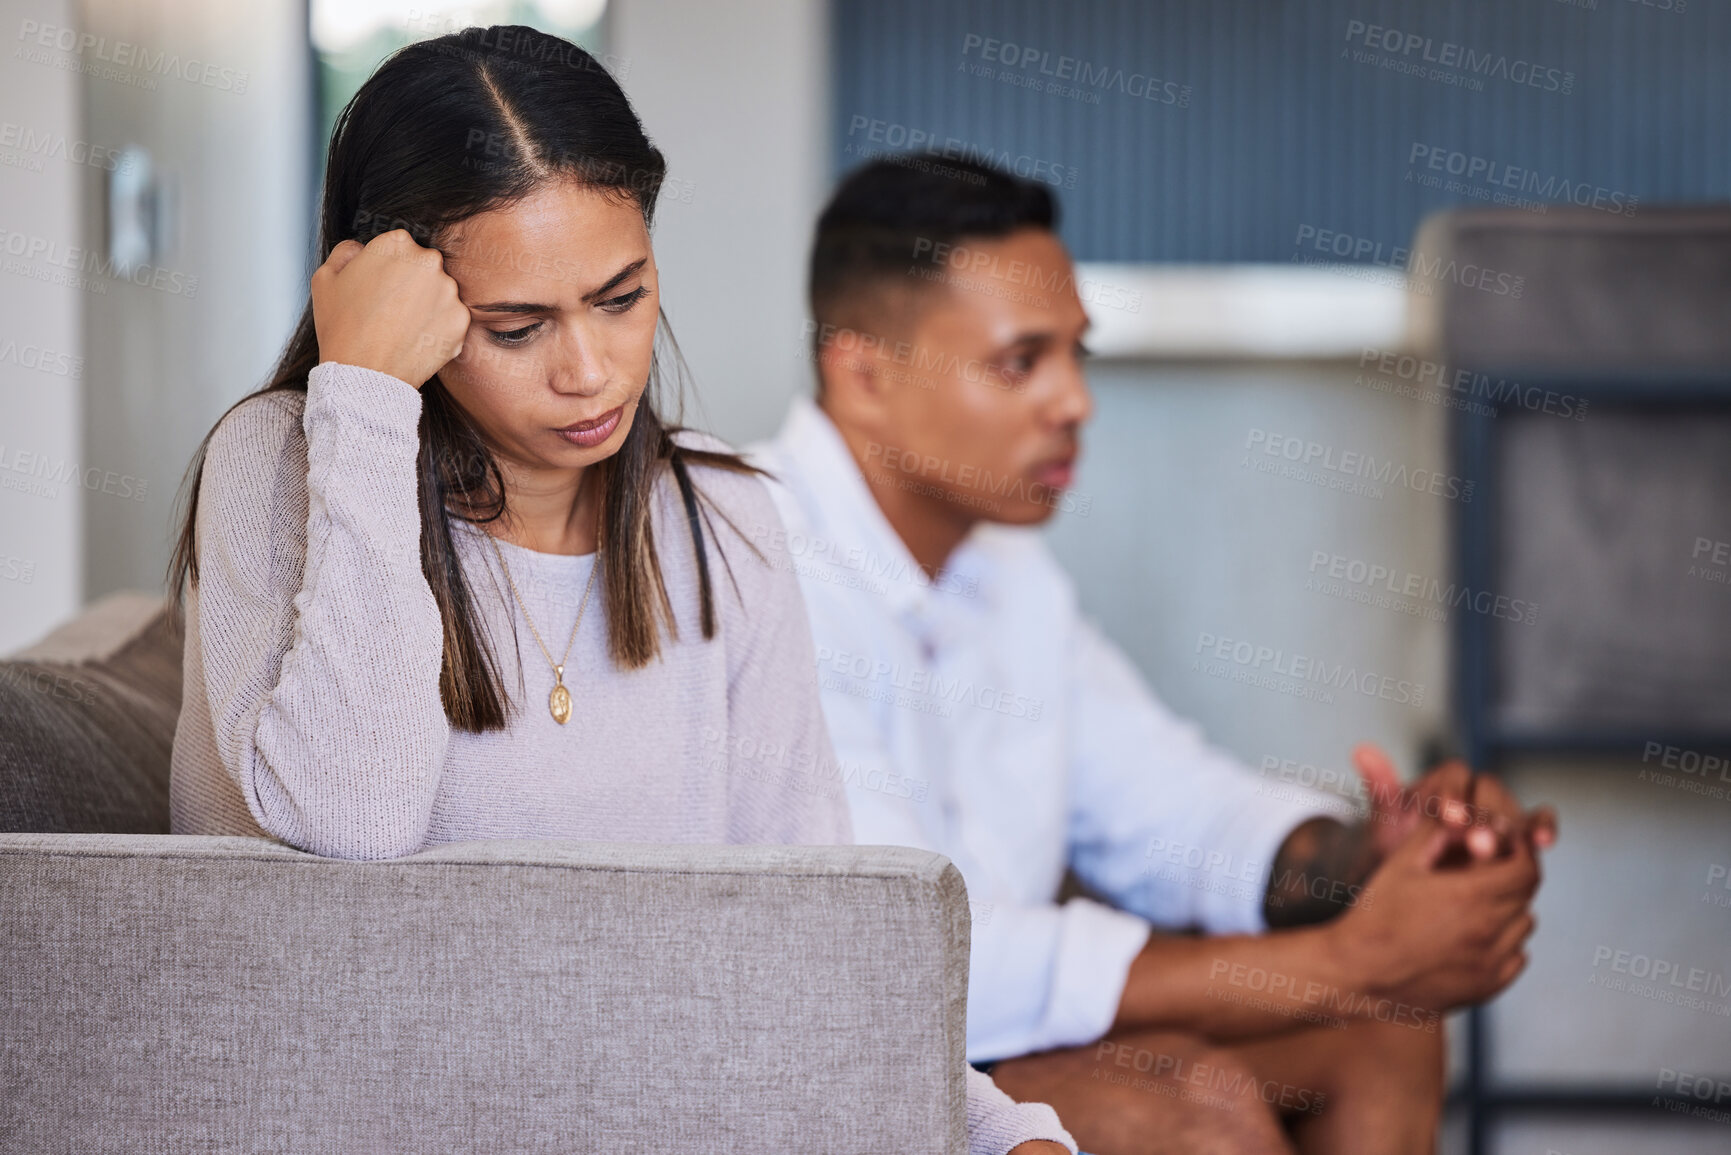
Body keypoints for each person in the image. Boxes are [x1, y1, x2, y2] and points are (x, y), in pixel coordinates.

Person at [164, 28, 1075, 1155]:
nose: (588, 371)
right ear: (404, 308)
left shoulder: (723, 516)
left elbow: (816, 942)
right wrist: (361, 397)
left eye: (620, 296)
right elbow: (349, 827)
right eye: (515, 327)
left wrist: (1004, 1132)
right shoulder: (288, 466)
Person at [746, 156, 1559, 1155]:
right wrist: (1352, 957)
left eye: (1076, 355)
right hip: (842, 1065)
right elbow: (914, 958)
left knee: (1386, 1031)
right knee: (1198, 1109)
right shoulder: (754, 566)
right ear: (863, 373)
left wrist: (1365, 856)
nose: (1075, 401)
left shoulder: (1007, 573)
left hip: (987, 1038)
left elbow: (1170, 809)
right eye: (1021, 361)